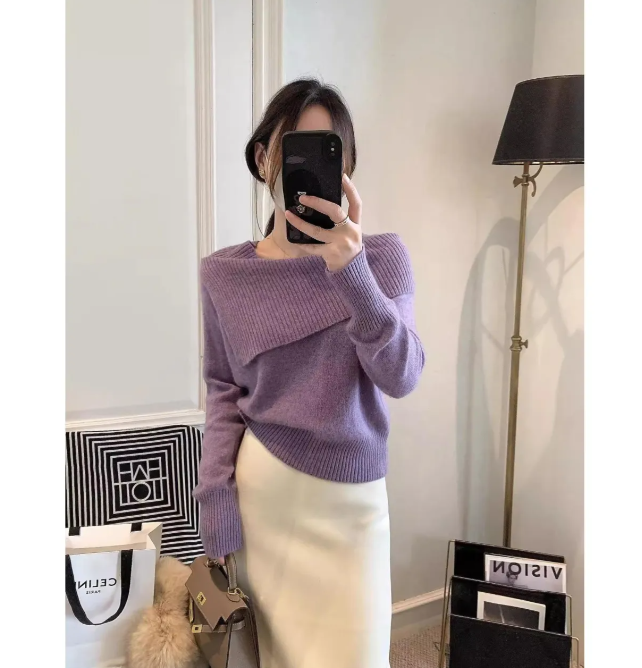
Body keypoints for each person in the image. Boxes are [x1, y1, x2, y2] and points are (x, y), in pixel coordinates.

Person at [194, 78, 425, 668]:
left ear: (345, 167)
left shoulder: (383, 259)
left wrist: (353, 273)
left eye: (328, 150)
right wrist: (215, 500)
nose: (309, 166)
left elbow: (402, 375)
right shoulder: (225, 274)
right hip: (265, 498)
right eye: (295, 147)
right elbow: (223, 390)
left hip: (353, 505)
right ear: (264, 158)